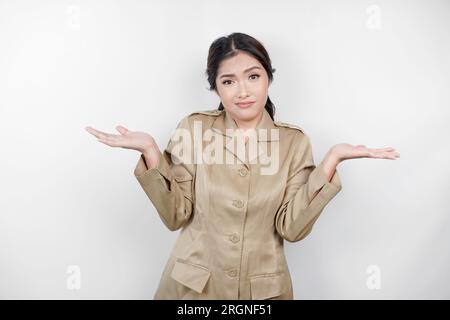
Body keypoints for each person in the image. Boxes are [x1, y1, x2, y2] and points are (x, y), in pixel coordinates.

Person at [85, 32, 400, 299]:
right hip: (193, 290)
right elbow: (174, 215)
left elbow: (291, 228)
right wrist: (152, 152)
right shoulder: (194, 129)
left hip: (262, 293)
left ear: (268, 78)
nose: (243, 91)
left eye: (253, 76)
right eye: (228, 81)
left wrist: (331, 161)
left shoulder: (294, 142)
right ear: (217, 88)